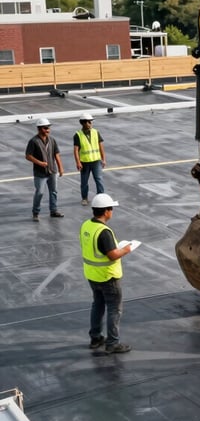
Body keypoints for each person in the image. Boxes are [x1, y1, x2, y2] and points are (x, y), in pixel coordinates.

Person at [80, 193, 133, 354]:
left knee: (98, 305)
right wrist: (126, 249)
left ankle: (95, 338)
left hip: (92, 275)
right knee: (114, 309)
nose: (112, 212)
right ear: (106, 211)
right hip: (108, 276)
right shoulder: (104, 232)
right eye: (111, 209)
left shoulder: (86, 226)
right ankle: (113, 343)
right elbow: (112, 255)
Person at [25, 117, 65, 220]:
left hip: (52, 171)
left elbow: (56, 154)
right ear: (39, 129)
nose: (48, 130)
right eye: (45, 128)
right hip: (40, 173)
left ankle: (53, 211)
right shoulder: (33, 141)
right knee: (40, 192)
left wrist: (60, 168)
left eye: (48, 128)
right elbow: (28, 156)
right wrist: (39, 163)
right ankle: (35, 213)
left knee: (54, 191)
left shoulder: (52, 140)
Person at [73, 112, 106, 205]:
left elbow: (101, 146)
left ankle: (101, 196)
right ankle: (84, 198)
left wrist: (103, 159)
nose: (90, 124)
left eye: (90, 122)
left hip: (96, 161)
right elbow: (75, 150)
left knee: (99, 179)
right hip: (84, 162)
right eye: (88, 122)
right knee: (84, 182)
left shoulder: (96, 132)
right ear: (83, 123)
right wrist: (78, 162)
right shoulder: (78, 135)